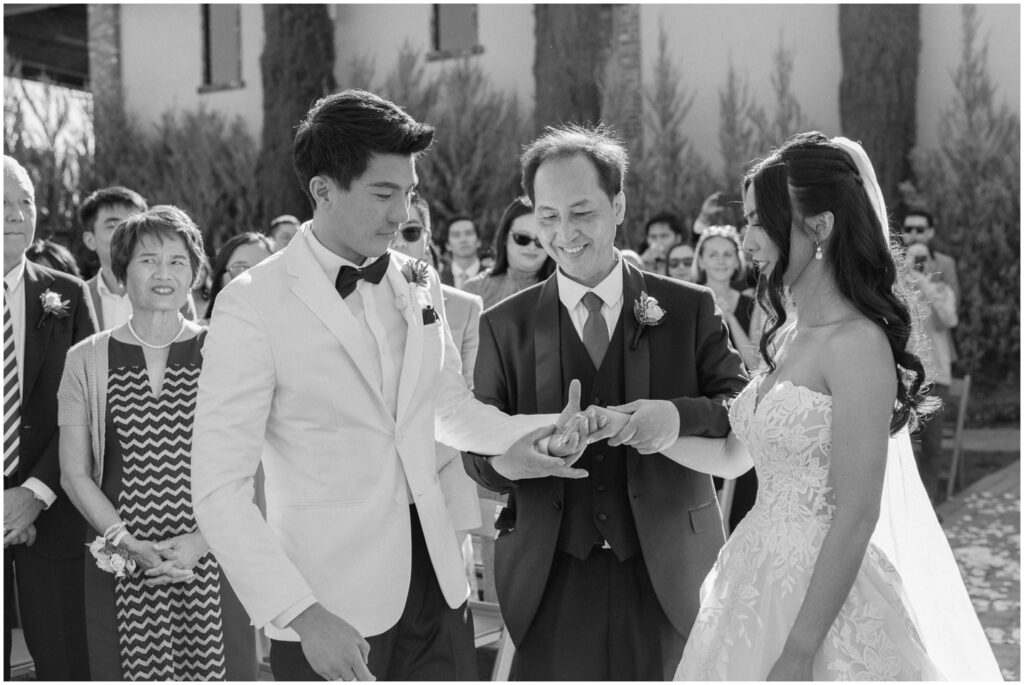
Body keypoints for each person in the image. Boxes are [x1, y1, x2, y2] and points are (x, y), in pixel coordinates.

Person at [190, 89, 587, 682]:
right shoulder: (251, 304)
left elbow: (447, 407)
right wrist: (301, 614)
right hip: (329, 604)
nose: (402, 213)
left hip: (439, 582)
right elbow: (219, 489)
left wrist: (541, 430)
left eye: (409, 192)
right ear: (323, 190)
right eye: (383, 194)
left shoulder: (418, 279)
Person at [675, 132, 1001, 680]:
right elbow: (736, 458)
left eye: (760, 221)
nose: (746, 241)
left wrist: (799, 652)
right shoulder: (787, 336)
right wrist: (649, 433)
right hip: (751, 580)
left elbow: (857, 513)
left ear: (820, 226)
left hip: (822, 603)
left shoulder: (858, 344)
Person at [463, 125, 749, 680]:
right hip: (551, 578)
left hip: (668, 574)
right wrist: (514, 461)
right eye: (548, 216)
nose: (564, 233)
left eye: (582, 212)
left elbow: (741, 406)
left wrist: (674, 417)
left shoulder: (687, 308)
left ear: (618, 206)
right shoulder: (503, 326)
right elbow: (475, 448)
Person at [57, 205, 256, 679]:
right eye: (148, 260)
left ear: (194, 274)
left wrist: (201, 542)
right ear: (121, 272)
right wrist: (127, 544)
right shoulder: (85, 359)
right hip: (121, 559)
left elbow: (252, 460)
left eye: (177, 261)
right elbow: (74, 473)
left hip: (213, 553)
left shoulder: (226, 349)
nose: (163, 273)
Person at [3, 156, 96, 680]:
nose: (17, 215)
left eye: (25, 202)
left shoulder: (68, 294)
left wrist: (32, 495)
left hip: (54, 515)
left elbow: (89, 406)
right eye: (2, 203)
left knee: (67, 665)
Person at [390, 192, 483, 587]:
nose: (400, 241)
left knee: (446, 594)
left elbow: (468, 392)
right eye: (392, 230)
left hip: (443, 468)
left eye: (411, 232)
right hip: (378, 482)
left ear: (428, 238)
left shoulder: (464, 305)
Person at [79, 186, 196, 329]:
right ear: (90, 240)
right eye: (113, 225)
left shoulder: (171, 290)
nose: (125, 233)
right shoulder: (79, 297)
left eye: (133, 224)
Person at [902, 241, 959, 504]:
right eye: (915, 259)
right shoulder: (901, 292)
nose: (920, 264)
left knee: (932, 447)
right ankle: (907, 505)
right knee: (901, 445)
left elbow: (949, 320)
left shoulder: (942, 291)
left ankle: (929, 504)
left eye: (924, 258)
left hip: (936, 378)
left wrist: (926, 286)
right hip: (907, 379)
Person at [463, 196, 556, 309]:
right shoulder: (474, 290)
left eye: (540, 240)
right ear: (505, 237)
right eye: (522, 238)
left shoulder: (564, 290)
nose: (532, 247)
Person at [693, 225, 760, 370]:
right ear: (701, 261)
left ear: (737, 261)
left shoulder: (752, 304)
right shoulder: (690, 299)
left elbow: (756, 366)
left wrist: (730, 317)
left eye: (728, 255)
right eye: (713, 255)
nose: (721, 261)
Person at [203, 232, 277, 323]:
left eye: (262, 269)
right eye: (240, 269)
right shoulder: (201, 331)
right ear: (220, 280)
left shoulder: (289, 328)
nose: (252, 280)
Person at [438, 215, 482, 289]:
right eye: (456, 235)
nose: (463, 239)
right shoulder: (438, 278)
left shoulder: (493, 277)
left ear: (479, 241)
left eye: (469, 233)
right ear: (448, 245)